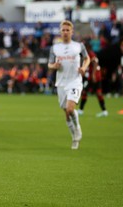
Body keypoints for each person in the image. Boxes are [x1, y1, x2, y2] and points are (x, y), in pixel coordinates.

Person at [48, 20, 90, 150]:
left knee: (71, 109)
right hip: (61, 83)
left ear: (72, 32)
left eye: (68, 30)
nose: (65, 32)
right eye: (63, 30)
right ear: (60, 32)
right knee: (67, 112)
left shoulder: (79, 46)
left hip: (75, 81)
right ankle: (74, 137)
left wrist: (84, 67)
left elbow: (87, 58)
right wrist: (54, 66)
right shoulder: (55, 48)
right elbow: (49, 64)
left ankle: (77, 129)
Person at [78, 43, 108, 117]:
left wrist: (93, 75)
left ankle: (81, 110)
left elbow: (95, 63)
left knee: (87, 92)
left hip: (94, 77)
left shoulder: (91, 54)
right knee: (93, 92)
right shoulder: (89, 54)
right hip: (95, 76)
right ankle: (104, 111)